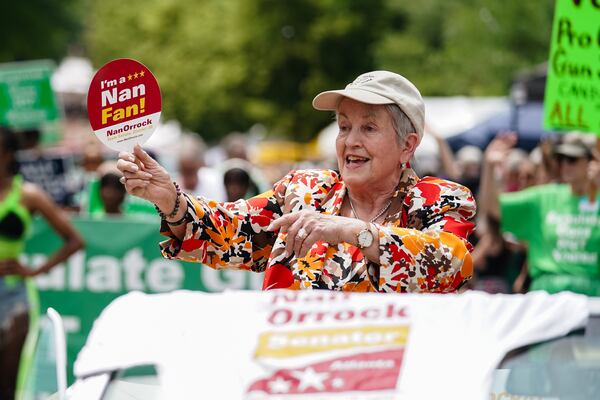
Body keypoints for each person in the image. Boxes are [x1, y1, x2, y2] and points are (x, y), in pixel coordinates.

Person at [117, 71, 476, 292]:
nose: (350, 140)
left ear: (407, 145)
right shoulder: (305, 190)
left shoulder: (439, 199)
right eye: (344, 126)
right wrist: (170, 200)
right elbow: (230, 231)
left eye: (368, 127)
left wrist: (353, 231)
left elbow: (450, 264)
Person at [0, 127, 84, 399]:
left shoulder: (28, 195)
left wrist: (34, 270)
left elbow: (74, 240)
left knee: (8, 383)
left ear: (9, 154)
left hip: (13, 297)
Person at [481, 132, 600, 295]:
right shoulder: (543, 197)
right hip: (547, 294)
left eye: (572, 159)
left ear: (591, 162)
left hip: (592, 295)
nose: (565, 165)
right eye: (560, 158)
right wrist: (489, 167)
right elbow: (494, 208)